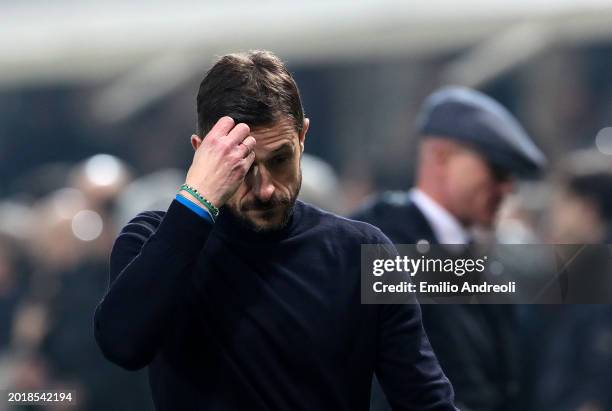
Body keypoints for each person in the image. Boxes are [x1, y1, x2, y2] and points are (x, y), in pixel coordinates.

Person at [93, 50, 457, 411]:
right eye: (242, 164)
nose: (265, 189)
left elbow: (424, 401)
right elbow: (122, 344)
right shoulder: (152, 241)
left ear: (303, 136)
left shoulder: (361, 252)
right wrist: (196, 199)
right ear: (202, 154)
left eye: (280, 160)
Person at [351, 86, 546, 411]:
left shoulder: (482, 263)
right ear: (441, 157)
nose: (508, 187)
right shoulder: (373, 243)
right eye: (496, 170)